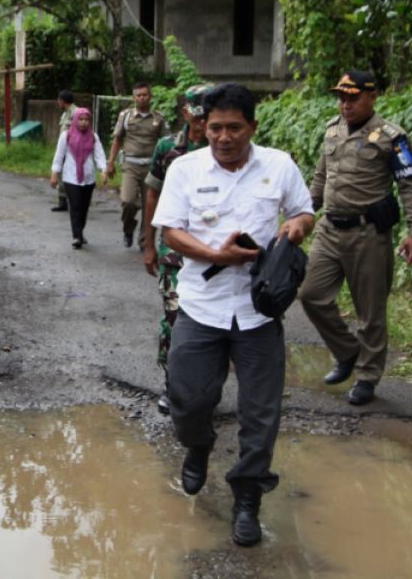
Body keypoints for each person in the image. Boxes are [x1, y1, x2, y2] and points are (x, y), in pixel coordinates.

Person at [152, 83, 314, 547]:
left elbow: (304, 213)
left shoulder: (279, 165)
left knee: (260, 414)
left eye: (234, 129)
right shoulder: (185, 168)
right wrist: (217, 256)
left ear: (252, 128)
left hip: (260, 314)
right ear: (203, 126)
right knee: (187, 401)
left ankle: (248, 498)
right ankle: (198, 446)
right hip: (202, 310)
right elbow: (172, 233)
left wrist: (294, 227)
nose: (223, 137)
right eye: (214, 128)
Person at [298, 70, 412, 406]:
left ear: (373, 97)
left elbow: (409, 184)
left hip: (367, 233)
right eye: (341, 97)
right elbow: (320, 177)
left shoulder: (391, 137)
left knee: (369, 311)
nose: (345, 104)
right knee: (311, 294)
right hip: (329, 228)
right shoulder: (332, 129)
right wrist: (304, 212)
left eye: (353, 97)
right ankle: (347, 351)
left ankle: (367, 377)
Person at [141, 84, 212, 415]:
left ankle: (205, 387)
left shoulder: (224, 147)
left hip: (214, 253)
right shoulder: (169, 148)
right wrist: (148, 244)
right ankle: (172, 384)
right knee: (175, 320)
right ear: (186, 113)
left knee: (211, 323)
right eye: (199, 117)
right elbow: (151, 194)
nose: (204, 125)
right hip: (174, 254)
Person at [105, 81, 167, 248]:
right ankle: (128, 229)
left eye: (144, 95)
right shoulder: (125, 116)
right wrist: (110, 162)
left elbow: (166, 143)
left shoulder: (158, 118)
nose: (141, 98)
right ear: (133, 98)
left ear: (150, 96)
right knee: (128, 201)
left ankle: (145, 241)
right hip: (130, 166)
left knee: (150, 206)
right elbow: (117, 139)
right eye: (138, 95)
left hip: (151, 167)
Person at [50, 107, 107, 249]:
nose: (83, 123)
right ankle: (76, 236)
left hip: (88, 178)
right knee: (75, 206)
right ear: (75, 120)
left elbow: (99, 155)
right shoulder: (66, 135)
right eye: (81, 119)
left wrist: (103, 170)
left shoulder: (93, 137)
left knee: (84, 207)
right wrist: (54, 173)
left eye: (86, 120)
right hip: (71, 177)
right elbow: (59, 155)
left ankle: (80, 231)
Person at [50, 90, 77, 212]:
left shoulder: (76, 113)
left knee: (73, 175)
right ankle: (63, 201)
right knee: (61, 174)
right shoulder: (65, 114)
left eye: (58, 100)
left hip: (73, 150)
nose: (57, 102)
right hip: (64, 149)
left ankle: (76, 201)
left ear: (62, 101)